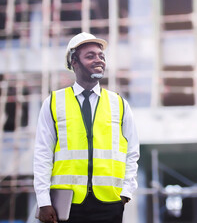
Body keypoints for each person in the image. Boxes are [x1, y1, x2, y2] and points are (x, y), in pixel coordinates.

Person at [33, 32, 140, 223]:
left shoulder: (119, 103)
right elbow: (42, 153)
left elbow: (132, 151)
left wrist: (126, 193)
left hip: (110, 202)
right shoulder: (53, 102)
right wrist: (43, 200)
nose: (99, 60)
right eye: (90, 56)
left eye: (101, 56)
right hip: (67, 204)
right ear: (74, 62)